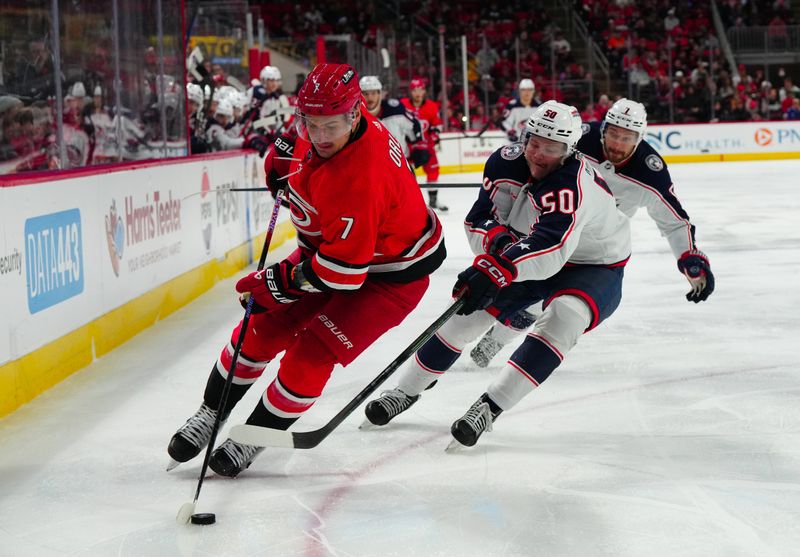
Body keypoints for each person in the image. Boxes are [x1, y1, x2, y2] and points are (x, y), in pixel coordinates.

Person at [167, 63, 447, 476]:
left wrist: (275, 284)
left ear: (354, 115)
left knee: (309, 355)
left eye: (329, 126)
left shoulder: (362, 176)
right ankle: (212, 412)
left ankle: (252, 438)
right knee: (257, 329)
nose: (318, 136)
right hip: (332, 254)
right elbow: (296, 171)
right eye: (309, 123)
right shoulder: (328, 124)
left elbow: (343, 273)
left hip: (389, 277)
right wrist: (280, 172)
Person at [363, 101, 632, 449]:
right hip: (532, 252)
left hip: (595, 264)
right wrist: (498, 243)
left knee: (564, 317)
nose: (539, 154)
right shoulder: (505, 161)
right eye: (535, 143)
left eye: (551, 149)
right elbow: (477, 219)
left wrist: (498, 266)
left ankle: (489, 407)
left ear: (569, 151)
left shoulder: (571, 185)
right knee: (464, 317)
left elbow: (552, 251)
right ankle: (405, 390)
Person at [469, 98, 715, 367]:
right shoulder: (579, 139)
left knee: (538, 305)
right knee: (519, 285)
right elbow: (534, 152)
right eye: (613, 133)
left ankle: (496, 342)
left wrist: (689, 256)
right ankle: (475, 337)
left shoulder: (650, 171)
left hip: (592, 250)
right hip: (548, 230)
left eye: (627, 137)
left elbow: (674, 221)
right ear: (603, 128)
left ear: (640, 138)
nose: (616, 144)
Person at [359, 75, 429, 170]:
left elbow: (414, 124)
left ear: (380, 94)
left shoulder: (395, 110)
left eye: (373, 93)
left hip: (401, 167)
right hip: (371, 170)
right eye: (365, 94)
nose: (370, 98)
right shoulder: (355, 117)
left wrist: (419, 146)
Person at [401, 78, 447, 212]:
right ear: (410, 91)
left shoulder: (432, 106)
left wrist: (433, 138)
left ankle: (433, 201)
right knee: (405, 175)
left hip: (427, 146)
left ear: (424, 91)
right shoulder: (403, 105)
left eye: (420, 90)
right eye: (415, 90)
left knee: (433, 170)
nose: (417, 93)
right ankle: (408, 202)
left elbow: (437, 125)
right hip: (407, 147)